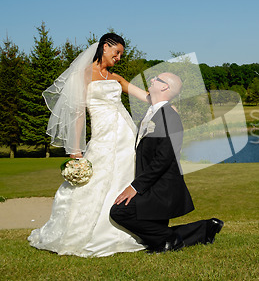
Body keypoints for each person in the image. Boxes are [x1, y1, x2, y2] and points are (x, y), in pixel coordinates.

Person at [28, 33, 149, 257]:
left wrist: (165, 99)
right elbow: (78, 115)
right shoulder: (83, 76)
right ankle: (90, 232)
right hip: (103, 137)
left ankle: (126, 230)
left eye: (121, 54)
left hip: (126, 136)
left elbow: (145, 96)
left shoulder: (117, 78)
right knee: (95, 182)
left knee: (124, 179)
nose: (119, 57)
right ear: (105, 47)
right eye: (117, 52)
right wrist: (76, 151)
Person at [110, 72, 224, 253]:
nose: (152, 79)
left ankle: (171, 239)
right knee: (155, 232)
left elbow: (165, 158)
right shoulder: (153, 113)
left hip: (162, 188)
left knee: (119, 212)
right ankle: (204, 229)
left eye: (157, 78)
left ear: (164, 87)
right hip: (152, 185)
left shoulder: (169, 116)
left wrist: (135, 187)